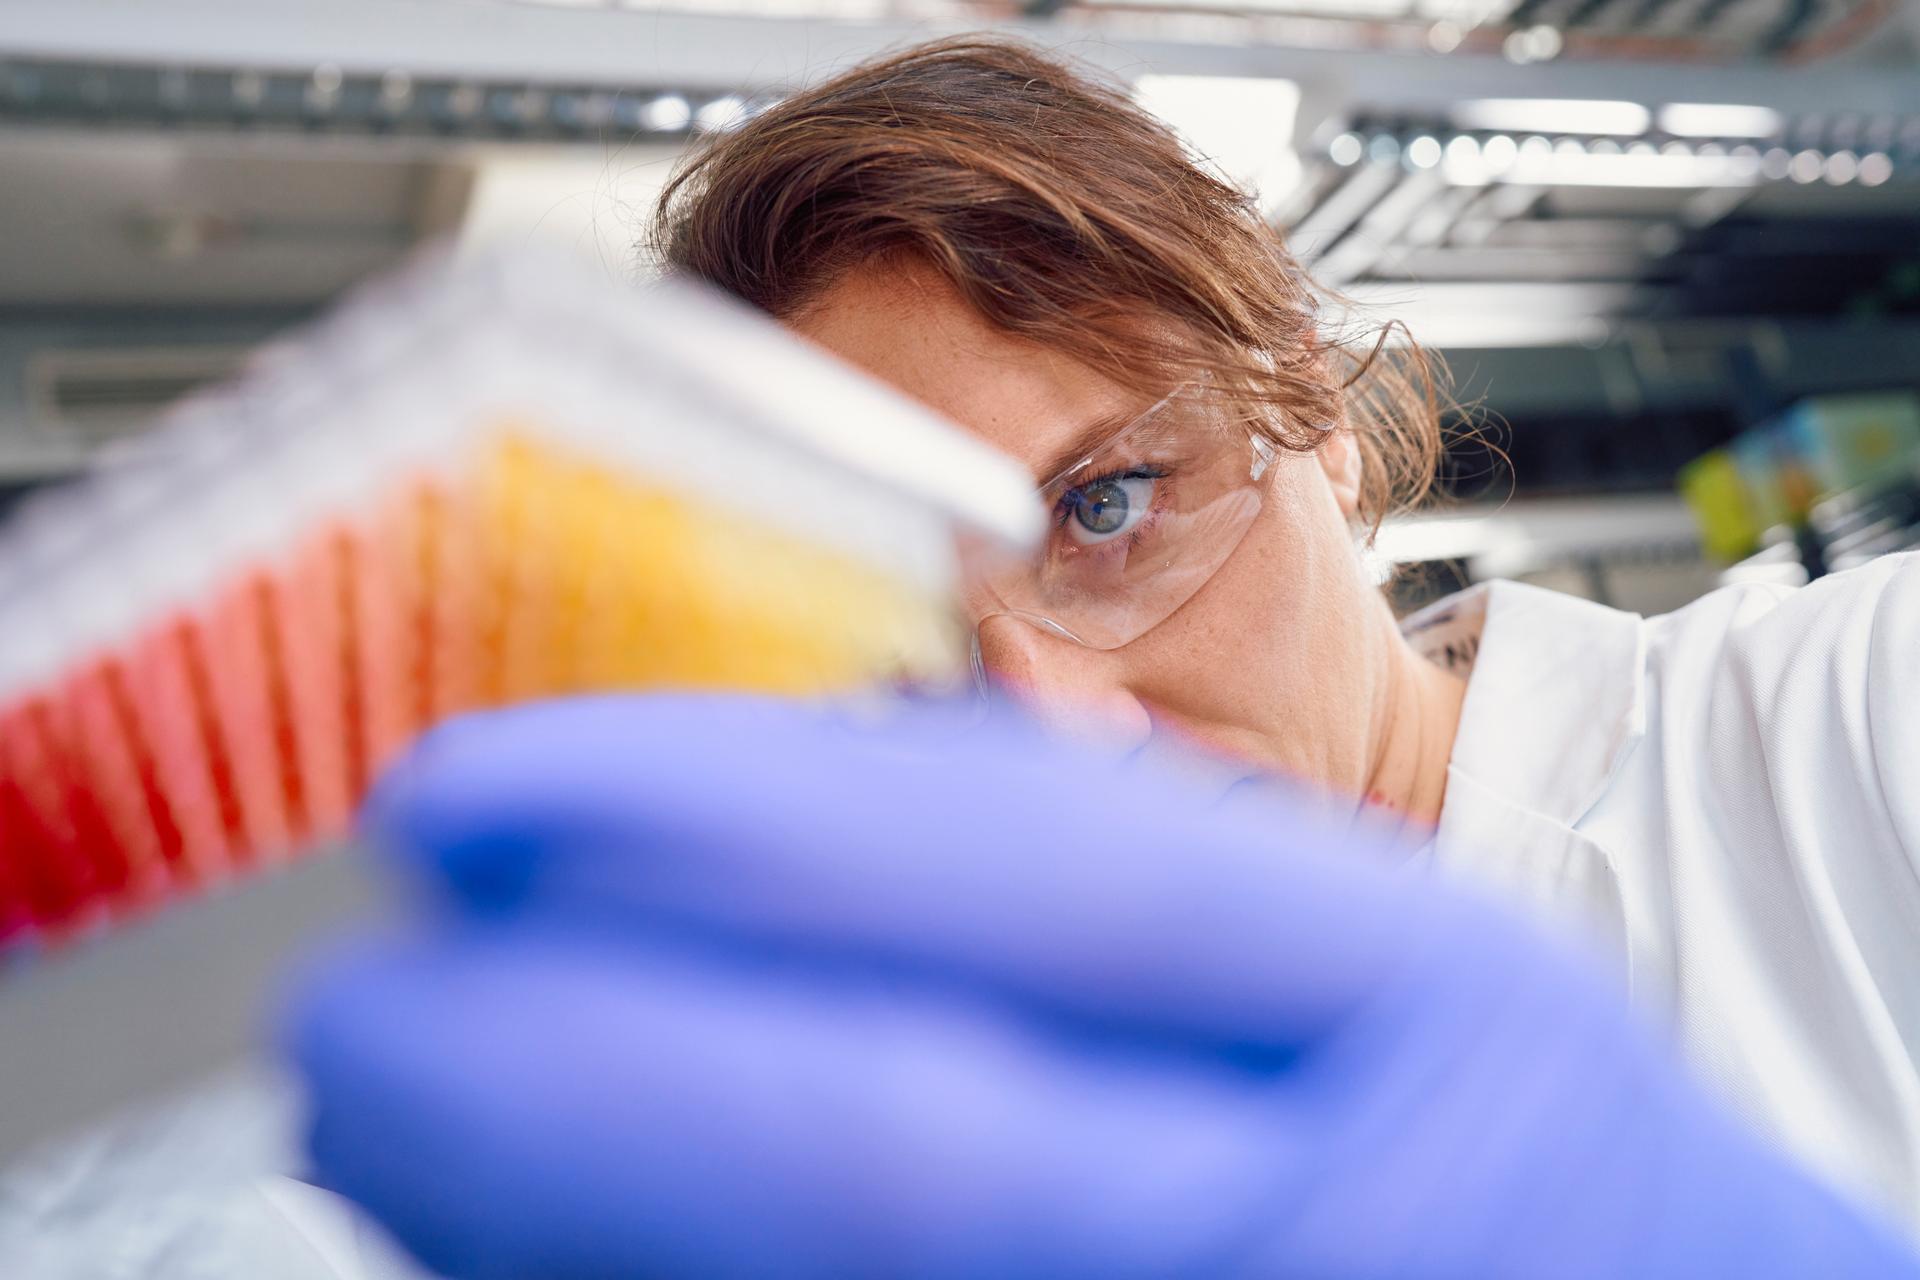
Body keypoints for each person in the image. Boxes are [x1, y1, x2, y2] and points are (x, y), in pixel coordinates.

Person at [285, 32, 1920, 1276]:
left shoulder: (1861, 710)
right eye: (896, 659)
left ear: (1315, 414)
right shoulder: (973, 1167)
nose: (1060, 735)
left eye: (1109, 504)